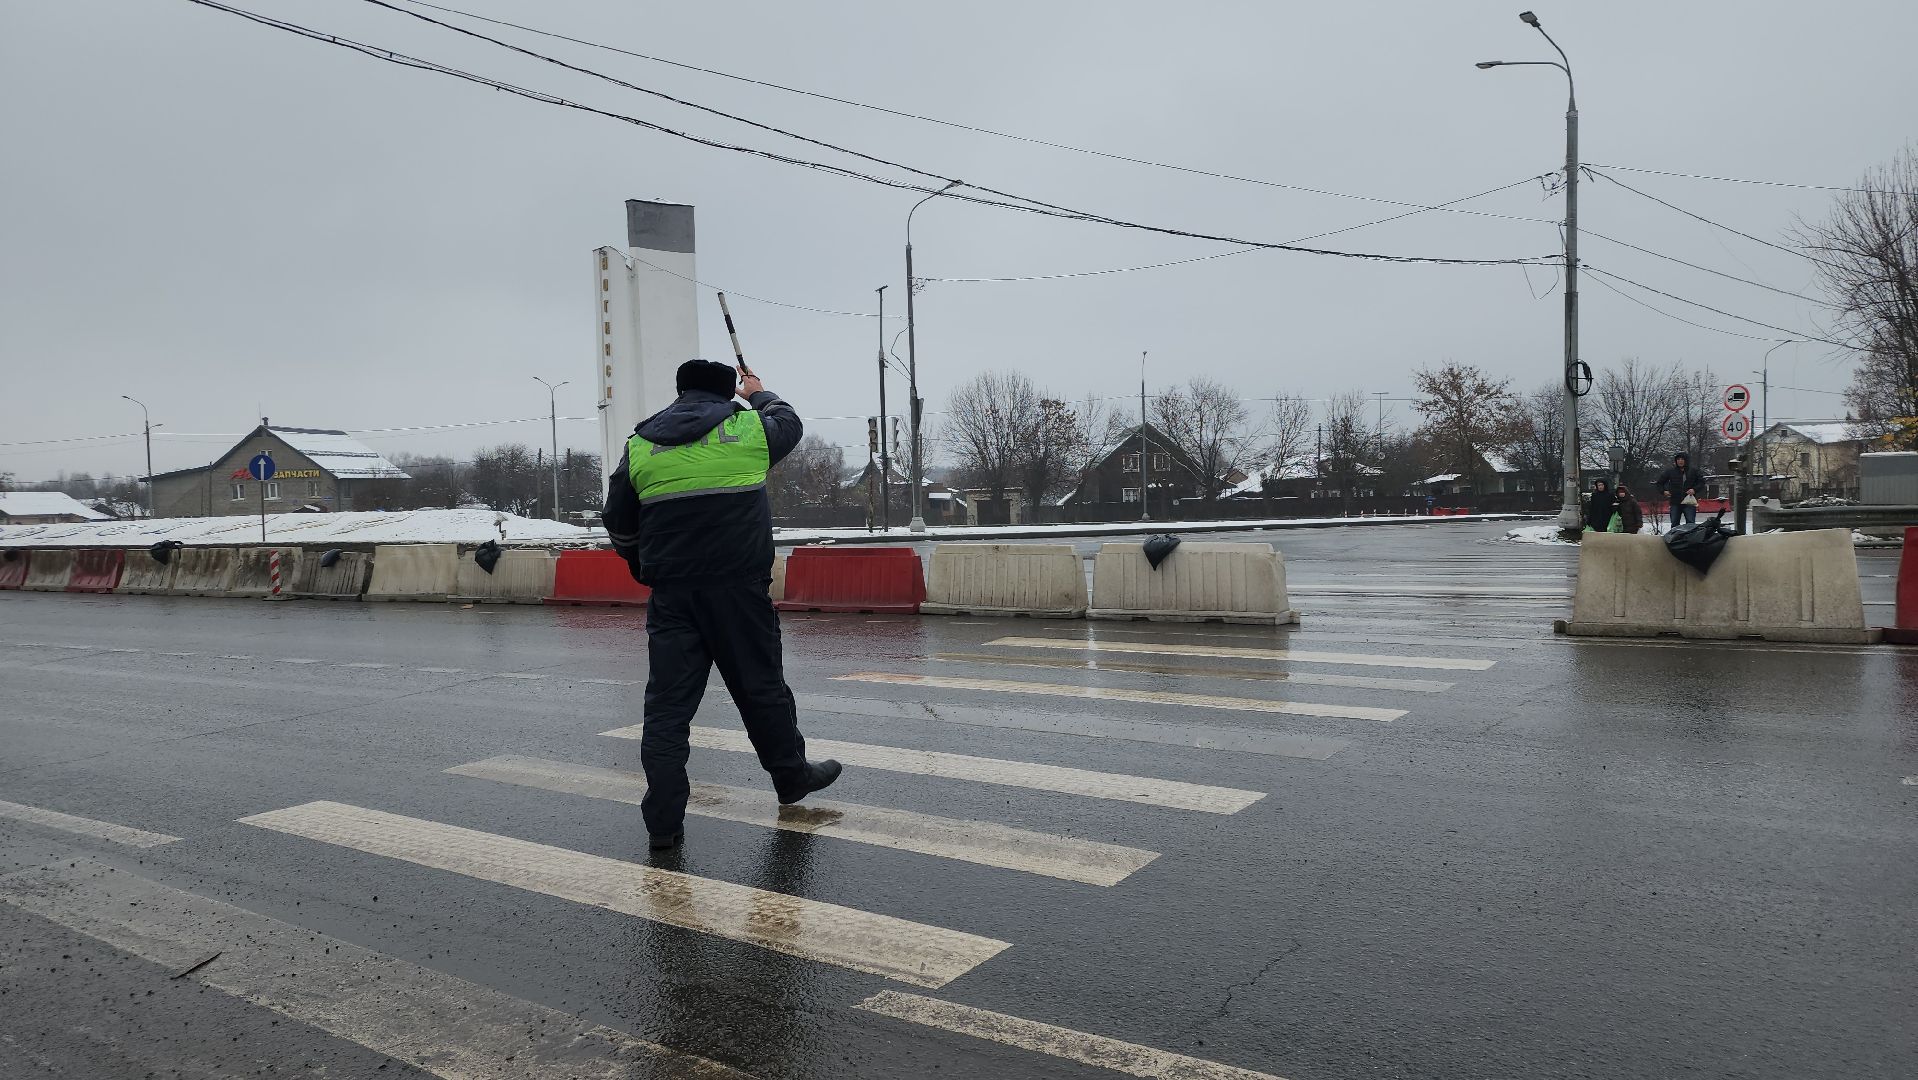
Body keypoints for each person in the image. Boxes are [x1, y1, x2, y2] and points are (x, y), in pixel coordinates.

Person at [603, 358, 841, 851]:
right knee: (761, 690)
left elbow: (619, 522)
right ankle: (791, 778)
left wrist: (643, 566)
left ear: (680, 390)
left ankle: (663, 824)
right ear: (726, 391)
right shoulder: (747, 428)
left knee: (667, 709)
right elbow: (790, 423)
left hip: (673, 595)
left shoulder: (641, 444)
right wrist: (759, 391)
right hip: (738, 591)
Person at [1656, 452, 1705, 531]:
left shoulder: (1694, 471)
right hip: (1675, 502)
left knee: (1690, 524)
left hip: (1689, 501)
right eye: (1678, 459)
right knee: (1675, 524)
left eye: (1682, 459)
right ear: (1676, 461)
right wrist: (1663, 491)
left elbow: (1702, 482)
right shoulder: (1670, 471)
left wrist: (1694, 489)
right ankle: (1675, 541)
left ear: (1686, 460)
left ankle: (1690, 541)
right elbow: (1659, 483)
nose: (1680, 461)